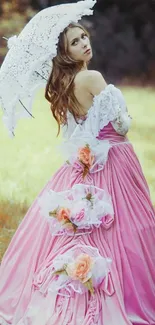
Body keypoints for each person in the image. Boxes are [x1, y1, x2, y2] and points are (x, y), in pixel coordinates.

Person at [0, 3, 155, 325]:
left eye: (84, 36)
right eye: (75, 41)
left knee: (77, 229)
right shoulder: (91, 77)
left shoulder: (64, 86)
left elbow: (78, 131)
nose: (85, 42)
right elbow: (122, 126)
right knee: (126, 228)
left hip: (82, 163)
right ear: (65, 53)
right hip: (114, 158)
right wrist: (124, 114)